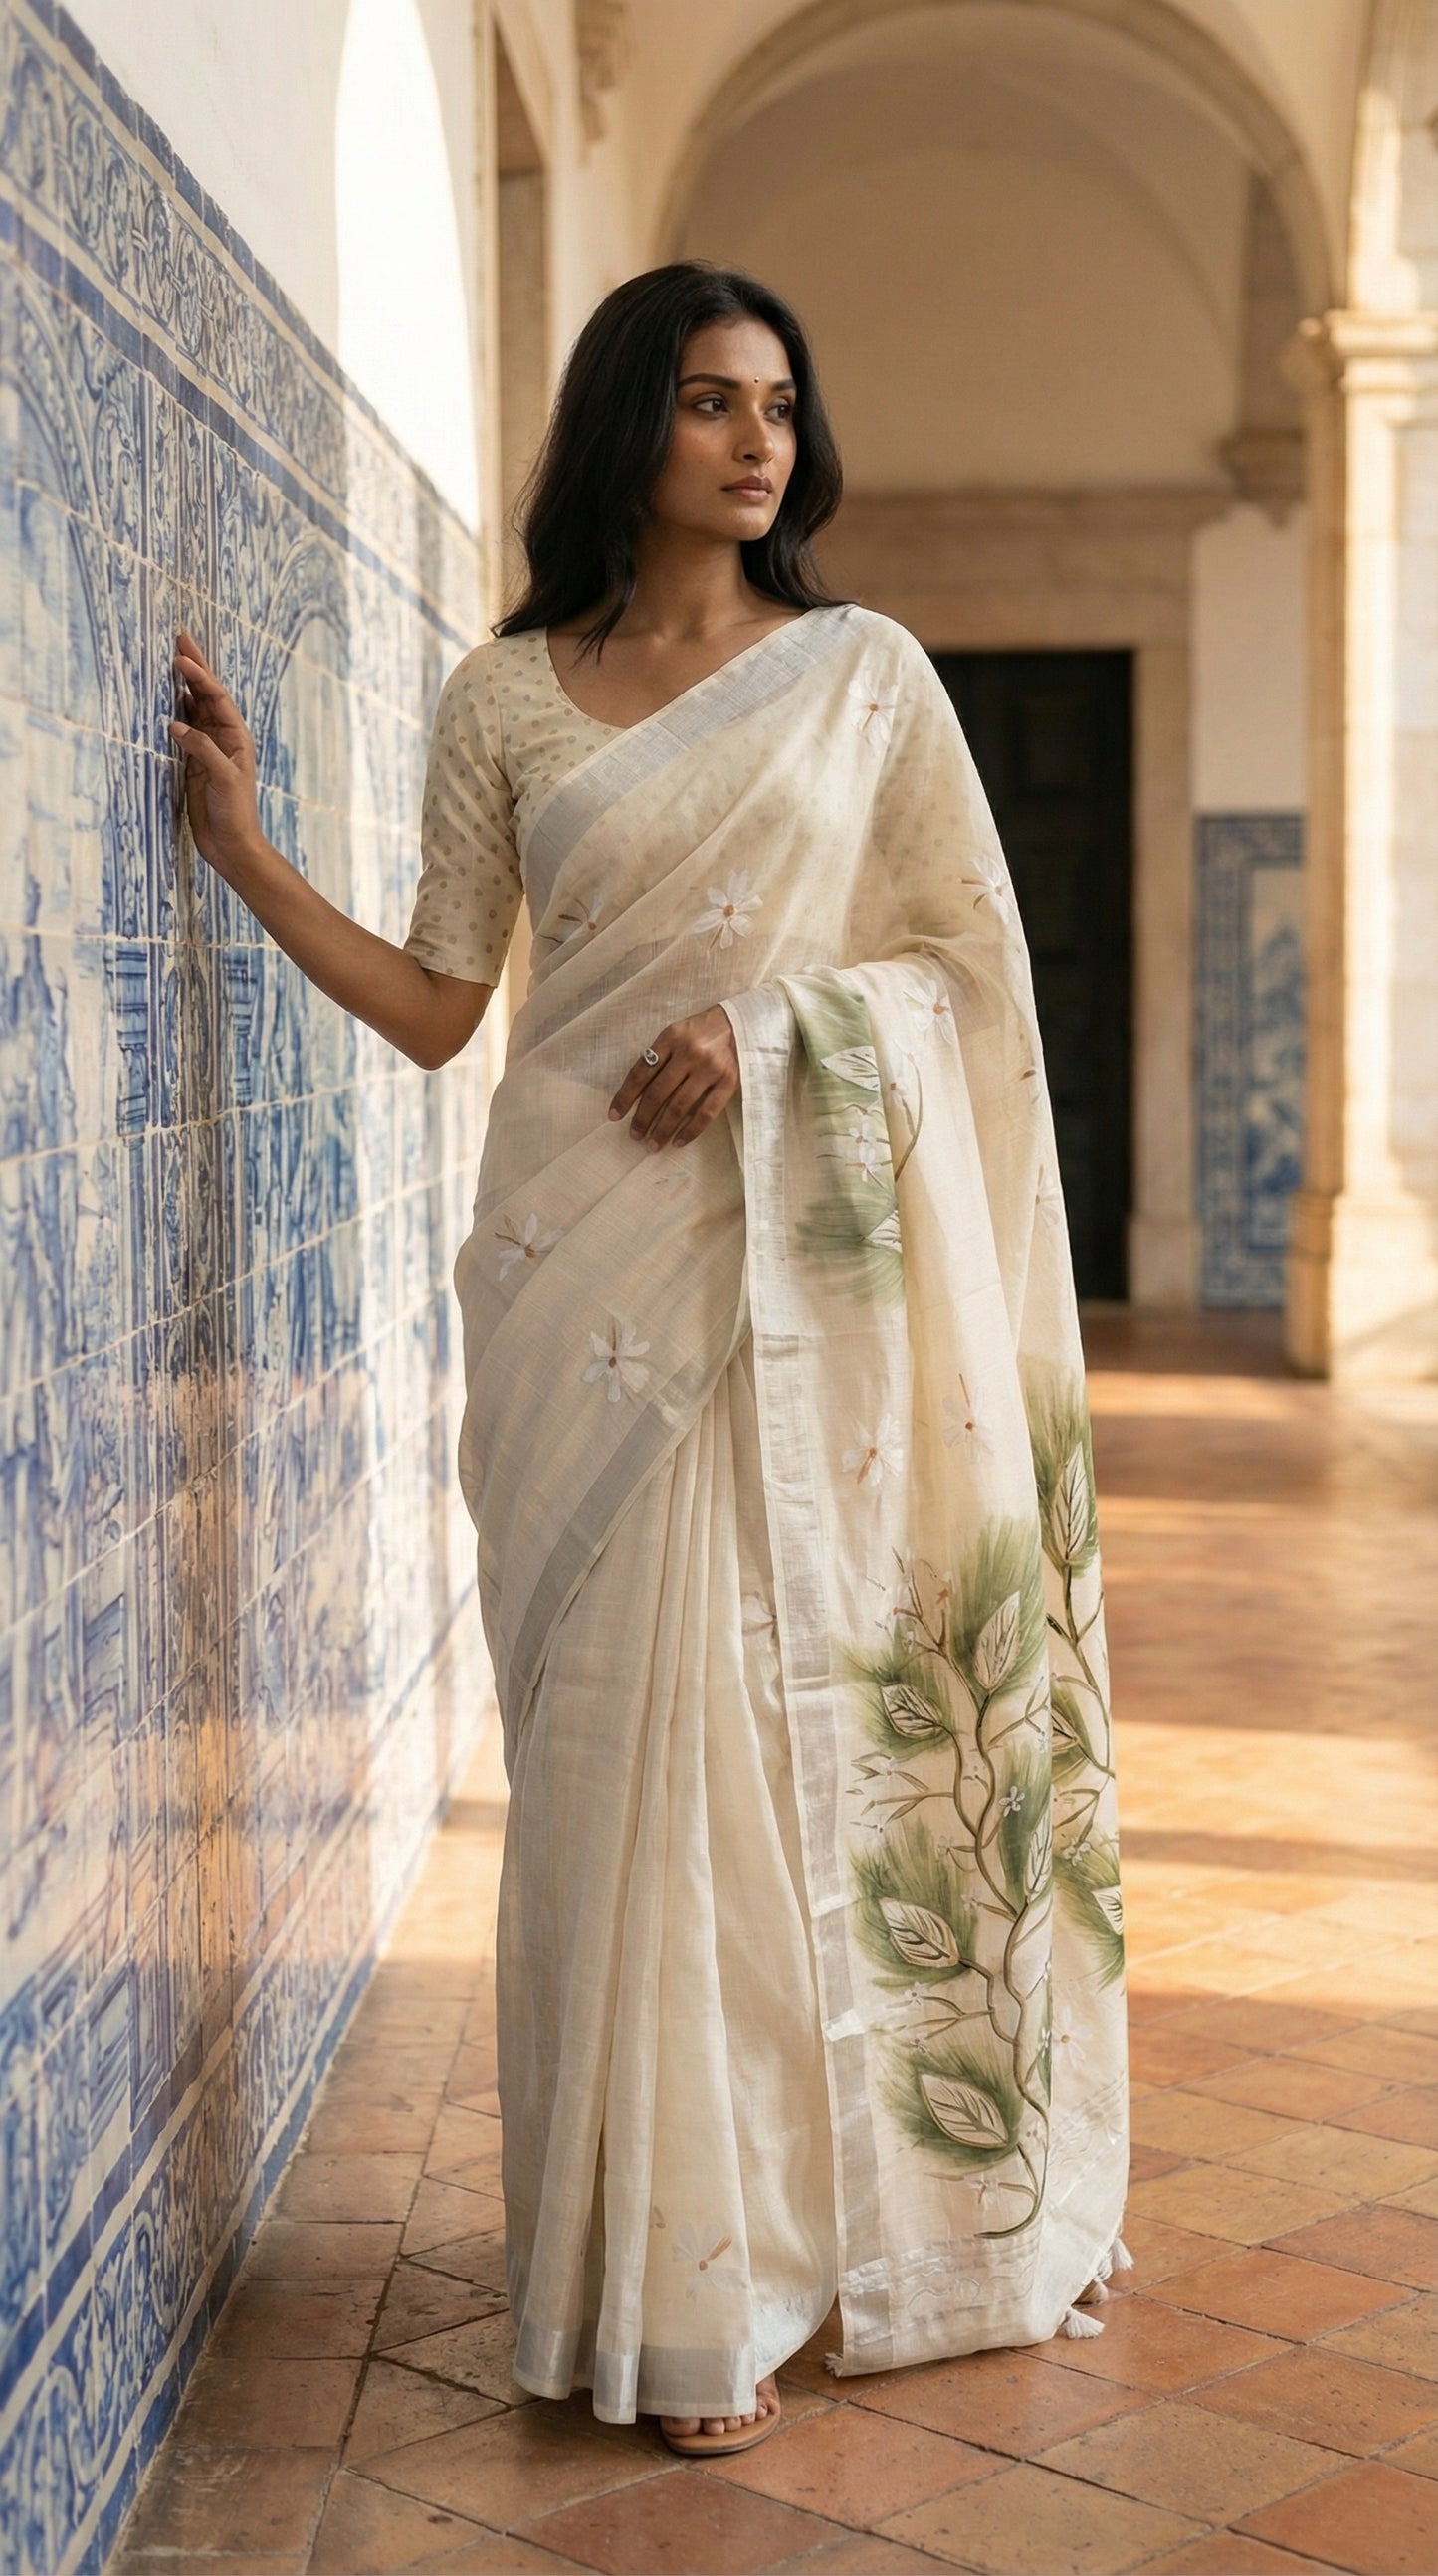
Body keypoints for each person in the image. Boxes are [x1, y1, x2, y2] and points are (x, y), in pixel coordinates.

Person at [170, 260, 1128, 2460]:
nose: (757, 439)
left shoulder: (864, 679)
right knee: (610, 1784)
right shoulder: (506, 692)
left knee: (782, 1760)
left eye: (779, 401)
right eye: (709, 401)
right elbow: (437, 1000)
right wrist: (240, 854)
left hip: (791, 1285)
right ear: (633, 424)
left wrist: (774, 1030)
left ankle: (791, 2245)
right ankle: (646, 2274)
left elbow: (969, 979)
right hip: (565, 1289)